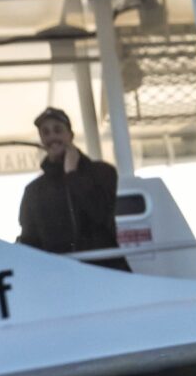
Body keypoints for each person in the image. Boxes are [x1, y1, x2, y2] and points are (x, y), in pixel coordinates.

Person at [15, 108, 126, 268]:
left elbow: (100, 214)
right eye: (45, 133)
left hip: (107, 271)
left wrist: (72, 174)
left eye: (57, 130)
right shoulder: (33, 191)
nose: (52, 137)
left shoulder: (103, 172)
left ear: (70, 135)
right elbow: (30, 240)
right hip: (63, 278)